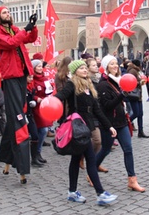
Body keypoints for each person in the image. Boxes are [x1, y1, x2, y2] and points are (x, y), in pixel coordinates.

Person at [55, 59, 118, 205]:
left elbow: (97, 110)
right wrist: (49, 101)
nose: (84, 70)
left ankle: (72, 192)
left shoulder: (89, 85)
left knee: (76, 160)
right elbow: (61, 95)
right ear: (74, 71)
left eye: (85, 68)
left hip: (86, 126)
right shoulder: (72, 84)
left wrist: (109, 126)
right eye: (81, 68)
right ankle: (100, 193)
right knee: (90, 158)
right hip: (78, 128)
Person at [0, 6, 38, 183]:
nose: (8, 14)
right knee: (18, 116)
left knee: (16, 116)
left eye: (8, 12)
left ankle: (6, 161)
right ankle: (22, 167)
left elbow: (30, 38)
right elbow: (12, 43)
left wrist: (32, 26)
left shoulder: (16, 30)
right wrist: (25, 29)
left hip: (21, 75)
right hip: (10, 77)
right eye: (4, 13)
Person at [96, 54, 146, 192]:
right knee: (105, 149)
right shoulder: (103, 85)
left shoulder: (118, 81)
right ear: (106, 67)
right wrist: (122, 95)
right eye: (111, 64)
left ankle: (132, 180)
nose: (115, 66)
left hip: (121, 122)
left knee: (128, 149)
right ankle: (92, 170)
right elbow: (107, 106)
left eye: (116, 63)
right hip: (109, 124)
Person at [30, 59, 54, 166]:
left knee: (43, 130)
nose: (40, 68)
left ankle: (38, 153)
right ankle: (35, 154)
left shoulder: (45, 78)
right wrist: (36, 98)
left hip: (44, 106)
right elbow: (29, 92)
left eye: (41, 66)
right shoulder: (31, 79)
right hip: (35, 108)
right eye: (38, 66)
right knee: (42, 130)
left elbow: (49, 90)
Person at [127, 59, 149, 138]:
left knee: (140, 114)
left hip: (138, 95)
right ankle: (126, 122)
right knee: (136, 113)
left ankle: (141, 131)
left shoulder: (136, 70)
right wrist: (139, 82)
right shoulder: (132, 71)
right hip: (134, 95)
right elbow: (129, 81)